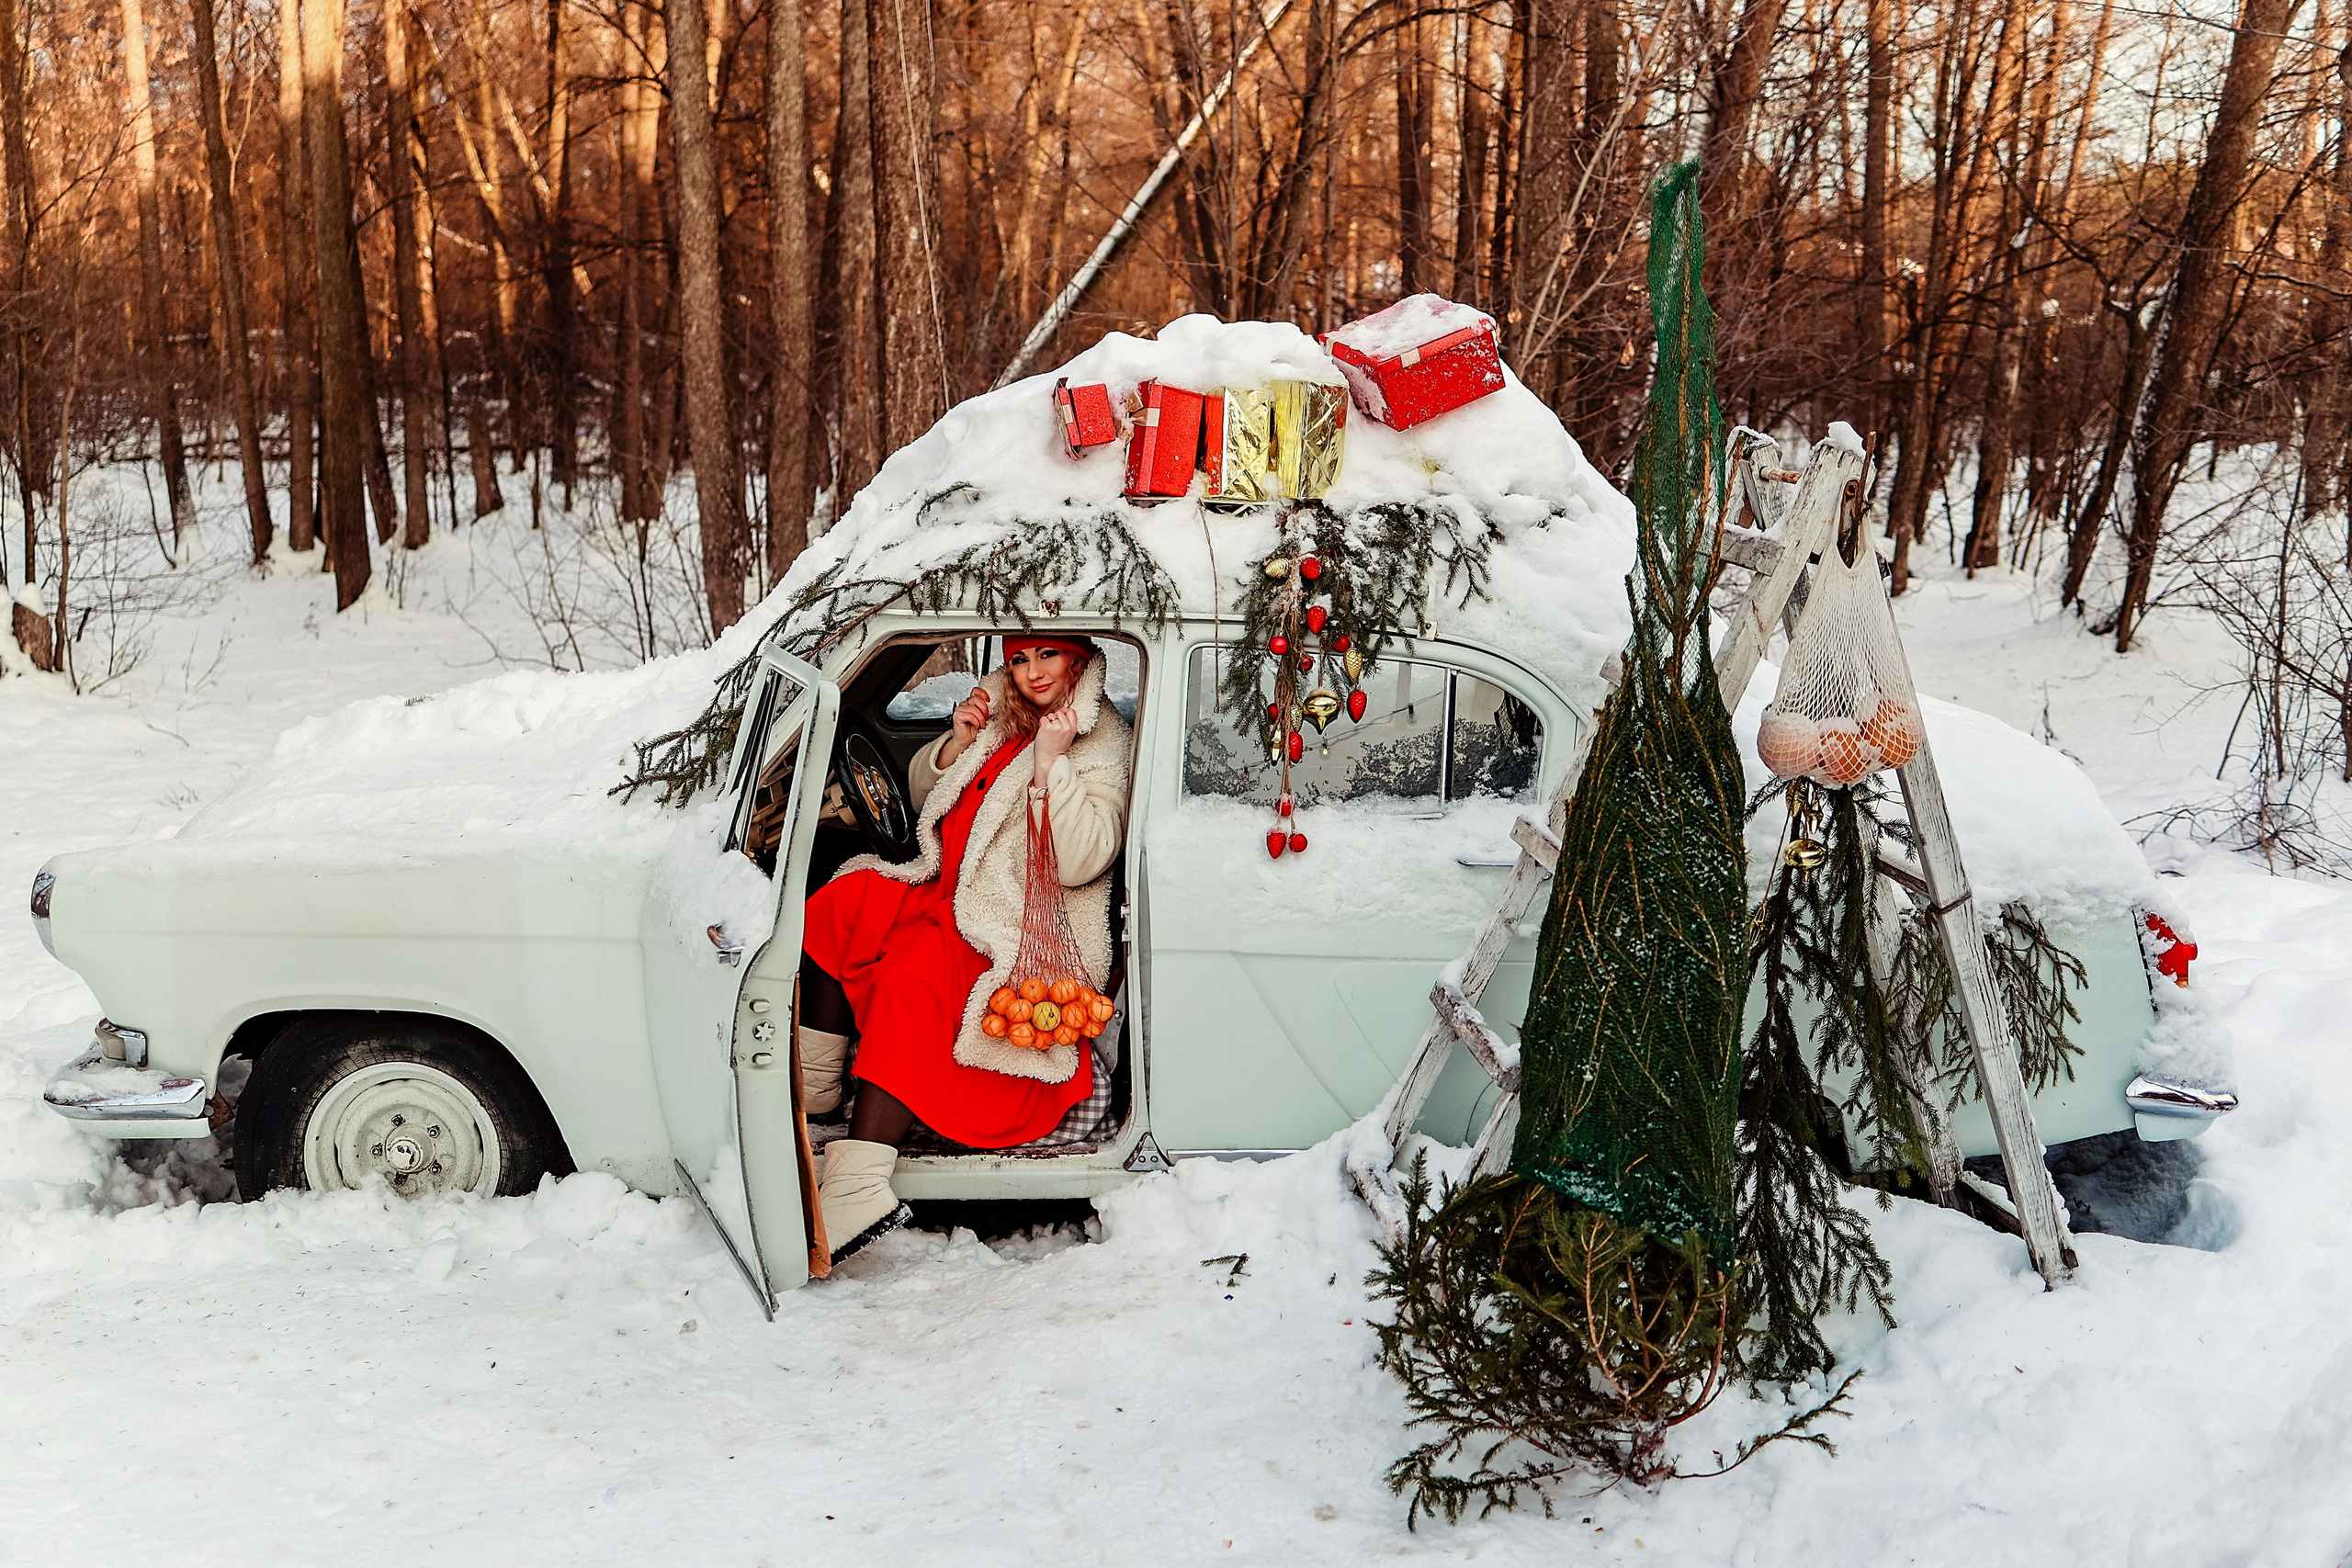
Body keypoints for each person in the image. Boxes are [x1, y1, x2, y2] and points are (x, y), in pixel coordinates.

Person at [797, 636, 1130, 1262]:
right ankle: (816, 1099)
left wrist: (1052, 762)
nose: (1031, 672)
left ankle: (859, 1182)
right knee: (841, 905)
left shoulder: (1099, 738)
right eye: (1021, 658)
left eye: (1048, 657)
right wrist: (955, 741)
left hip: (1013, 927)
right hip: (945, 889)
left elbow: (1085, 857)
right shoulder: (1006, 711)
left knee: (913, 976)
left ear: (1079, 661)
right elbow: (930, 800)